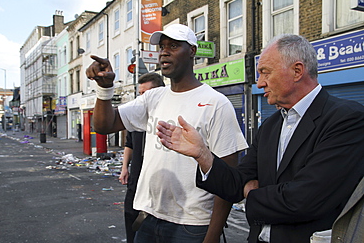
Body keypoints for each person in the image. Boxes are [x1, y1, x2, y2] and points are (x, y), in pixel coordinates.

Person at [156, 34, 364, 243]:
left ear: (297, 71)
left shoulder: (346, 119)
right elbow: (236, 183)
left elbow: (303, 200)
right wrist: (203, 155)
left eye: (265, 72)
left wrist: (250, 193)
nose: (259, 82)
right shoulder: (271, 125)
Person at [86, 23, 248, 242]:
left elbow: (227, 179)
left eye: (173, 46)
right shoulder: (154, 98)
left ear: (192, 51)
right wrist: (104, 88)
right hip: (148, 217)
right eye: (162, 47)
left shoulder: (216, 103)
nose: (164, 52)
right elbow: (105, 125)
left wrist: (212, 235)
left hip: (192, 225)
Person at [118, 72, 165, 243]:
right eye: (139, 94)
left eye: (145, 94)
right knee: (131, 220)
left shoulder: (167, 116)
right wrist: (124, 168)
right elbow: (129, 144)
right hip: (136, 180)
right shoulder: (136, 116)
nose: (141, 99)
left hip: (159, 183)